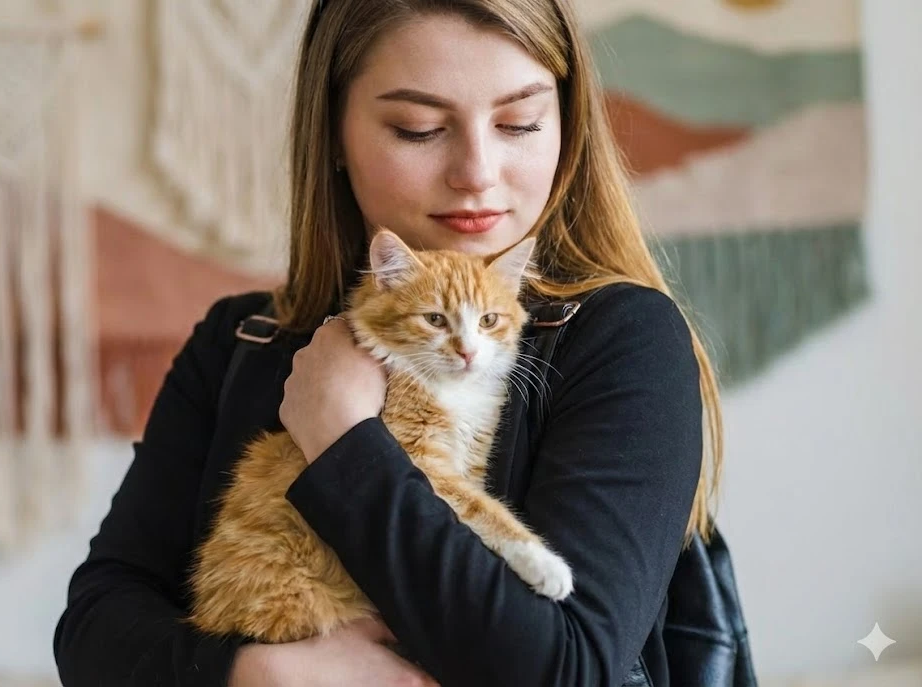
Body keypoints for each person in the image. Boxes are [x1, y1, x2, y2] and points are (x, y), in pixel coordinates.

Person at [53, 1, 725, 685]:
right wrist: (255, 673)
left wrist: (342, 437)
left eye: (520, 121)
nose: (477, 171)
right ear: (336, 136)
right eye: (420, 128)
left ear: (568, 127)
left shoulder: (621, 339)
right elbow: (93, 628)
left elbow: (563, 667)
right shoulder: (240, 340)